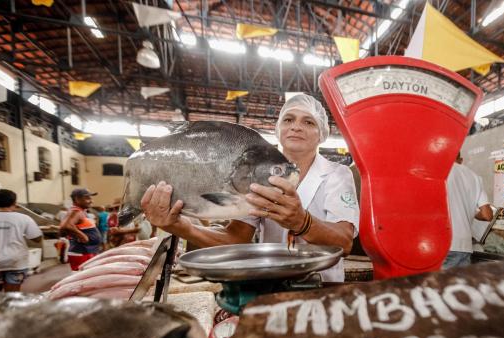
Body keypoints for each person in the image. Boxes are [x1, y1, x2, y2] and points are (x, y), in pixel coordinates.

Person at [141, 94, 359, 282]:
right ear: (279, 129)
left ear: (321, 133)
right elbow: (235, 239)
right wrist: (182, 227)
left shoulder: (336, 175)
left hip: (323, 286)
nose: (296, 126)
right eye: (289, 119)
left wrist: (302, 222)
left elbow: (344, 242)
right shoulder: (254, 174)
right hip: (270, 283)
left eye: (309, 122)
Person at [443, 153, 493, 270]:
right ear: (460, 159)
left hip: (443, 244)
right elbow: (487, 215)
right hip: (465, 246)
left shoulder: (438, 172)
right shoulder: (474, 176)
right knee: (459, 286)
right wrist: (471, 213)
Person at [0, 189, 43, 292]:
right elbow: (37, 238)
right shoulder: (24, 218)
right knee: (12, 296)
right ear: (15, 202)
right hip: (16, 262)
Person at [59, 188, 102, 271]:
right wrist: (82, 236)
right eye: (87, 198)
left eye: (91, 198)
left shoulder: (80, 211)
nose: (91, 201)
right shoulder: (76, 212)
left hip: (86, 252)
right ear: (77, 199)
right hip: (82, 253)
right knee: (83, 280)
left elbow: (63, 229)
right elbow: (65, 226)